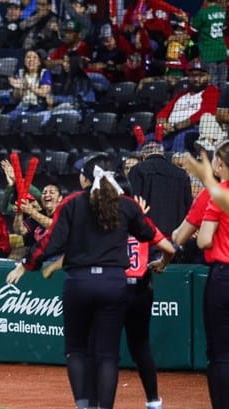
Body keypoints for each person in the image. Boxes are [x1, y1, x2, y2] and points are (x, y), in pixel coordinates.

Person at [5, 154, 160, 409]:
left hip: (93, 283)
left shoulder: (82, 205)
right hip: (129, 286)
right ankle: (153, 401)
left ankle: (87, 404)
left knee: (83, 349)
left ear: (86, 179)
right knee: (128, 349)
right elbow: (160, 240)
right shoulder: (130, 209)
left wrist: (29, 264)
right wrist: (165, 257)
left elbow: (57, 240)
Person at [190, 141, 229, 409]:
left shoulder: (219, 194)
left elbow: (203, 240)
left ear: (221, 165)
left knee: (220, 353)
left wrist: (205, 236)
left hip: (223, 277)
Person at [129, 140, 192, 238]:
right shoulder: (181, 173)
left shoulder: (137, 170)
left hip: (148, 233)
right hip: (175, 233)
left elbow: (133, 201)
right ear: (162, 153)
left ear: (143, 156)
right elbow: (188, 205)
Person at [153, 63, 220, 153]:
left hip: (194, 129)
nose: (196, 79)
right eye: (193, 75)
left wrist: (176, 126)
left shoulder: (211, 91)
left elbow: (206, 112)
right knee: (149, 139)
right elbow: (163, 112)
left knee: (179, 139)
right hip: (170, 130)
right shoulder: (182, 94)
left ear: (208, 77)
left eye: (201, 75)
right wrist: (163, 126)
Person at [191, 0, 227, 89]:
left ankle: (214, 103)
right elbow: (224, 27)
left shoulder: (203, 12)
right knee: (222, 83)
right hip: (221, 51)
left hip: (208, 52)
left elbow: (193, 30)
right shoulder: (222, 11)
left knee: (211, 84)